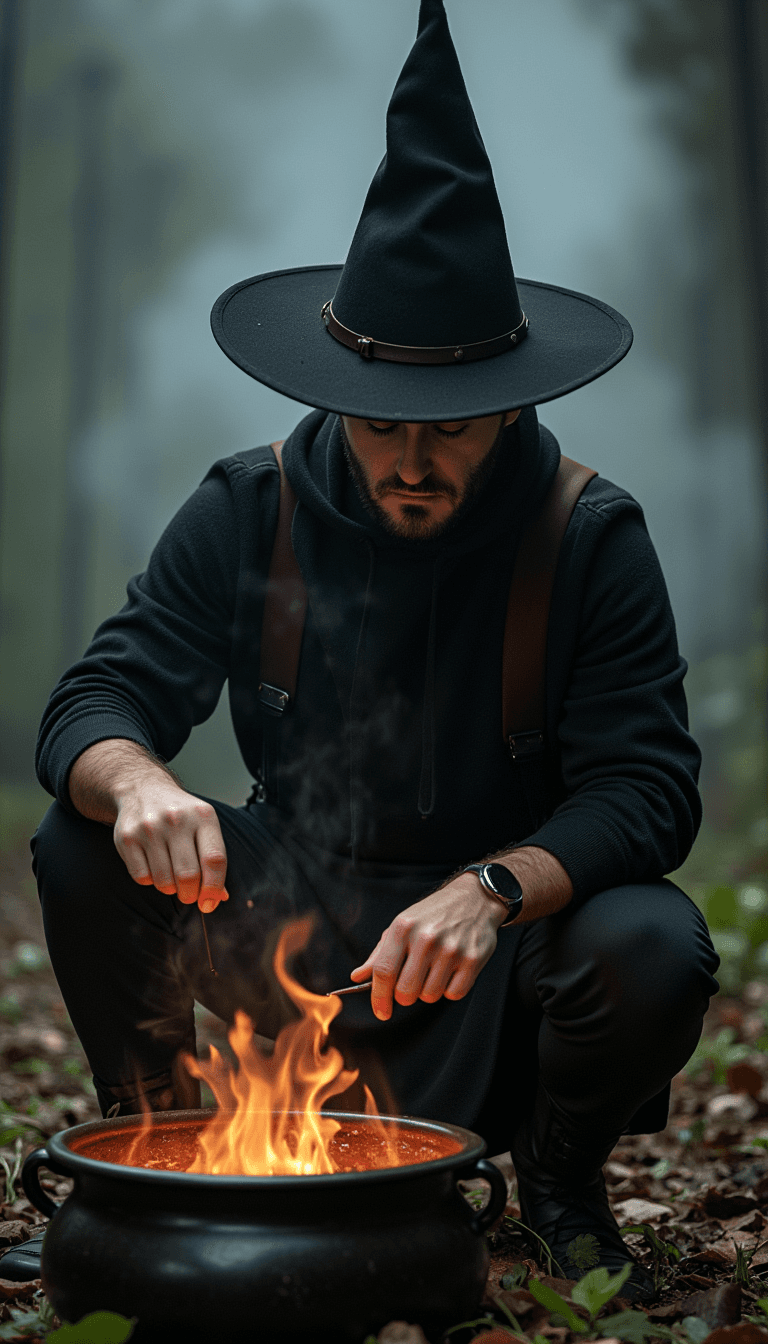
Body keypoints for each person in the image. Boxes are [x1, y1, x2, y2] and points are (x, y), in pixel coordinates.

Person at [13, 0, 718, 1299]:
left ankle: (557, 1188)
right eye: (381, 421)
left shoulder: (589, 539)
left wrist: (496, 888)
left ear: (513, 395)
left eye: (448, 424)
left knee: (652, 942)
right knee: (77, 835)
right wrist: (142, 783)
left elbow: (650, 792)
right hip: (291, 923)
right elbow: (95, 700)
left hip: (488, 955)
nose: (409, 458)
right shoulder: (250, 506)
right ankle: (167, 1156)